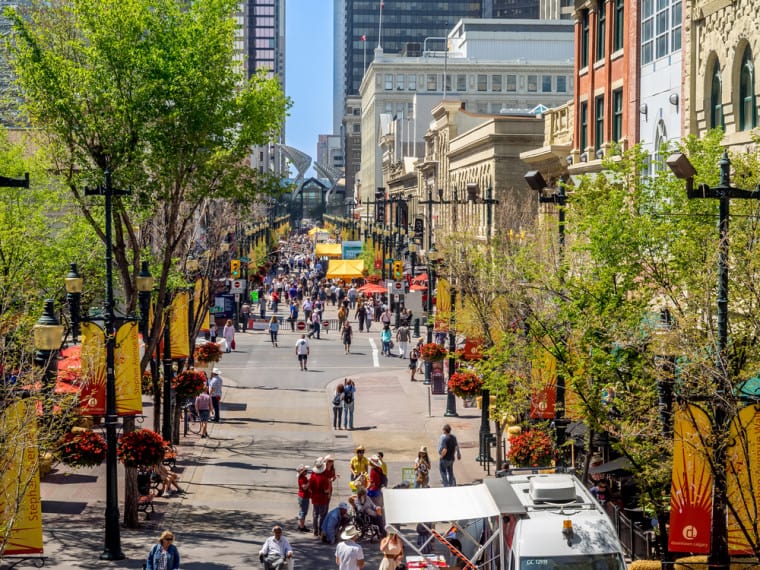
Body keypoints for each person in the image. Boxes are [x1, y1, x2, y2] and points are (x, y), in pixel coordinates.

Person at [309, 458, 332, 536]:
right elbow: (326, 490)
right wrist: (329, 489)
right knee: (322, 515)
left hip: (315, 497)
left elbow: (310, 488)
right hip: (322, 498)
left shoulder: (312, 477)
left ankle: (315, 530)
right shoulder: (324, 479)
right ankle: (320, 530)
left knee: (315, 514)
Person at [296, 464, 311, 532]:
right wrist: (309, 482)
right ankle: (302, 526)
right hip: (303, 496)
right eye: (305, 471)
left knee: (301, 511)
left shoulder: (303, 478)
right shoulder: (302, 478)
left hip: (302, 496)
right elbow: (304, 487)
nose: (307, 472)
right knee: (303, 512)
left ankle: (300, 524)